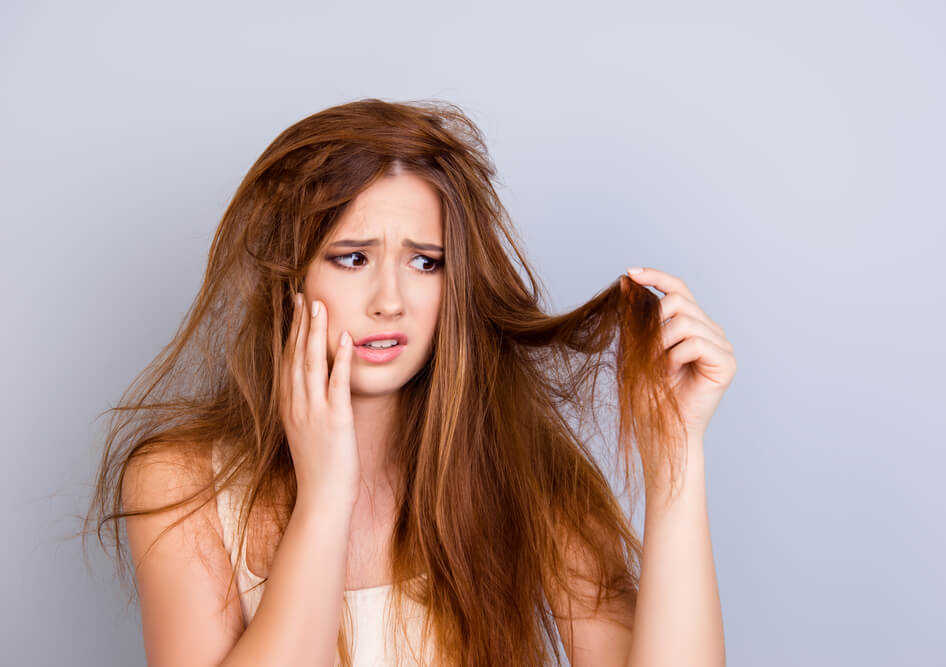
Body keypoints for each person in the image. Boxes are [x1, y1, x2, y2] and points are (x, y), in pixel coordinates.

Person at [83, 98, 735, 666]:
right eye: (352, 257)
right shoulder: (178, 484)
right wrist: (325, 494)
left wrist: (675, 456)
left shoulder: (525, 472)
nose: (389, 300)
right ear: (291, 278)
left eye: (425, 262)